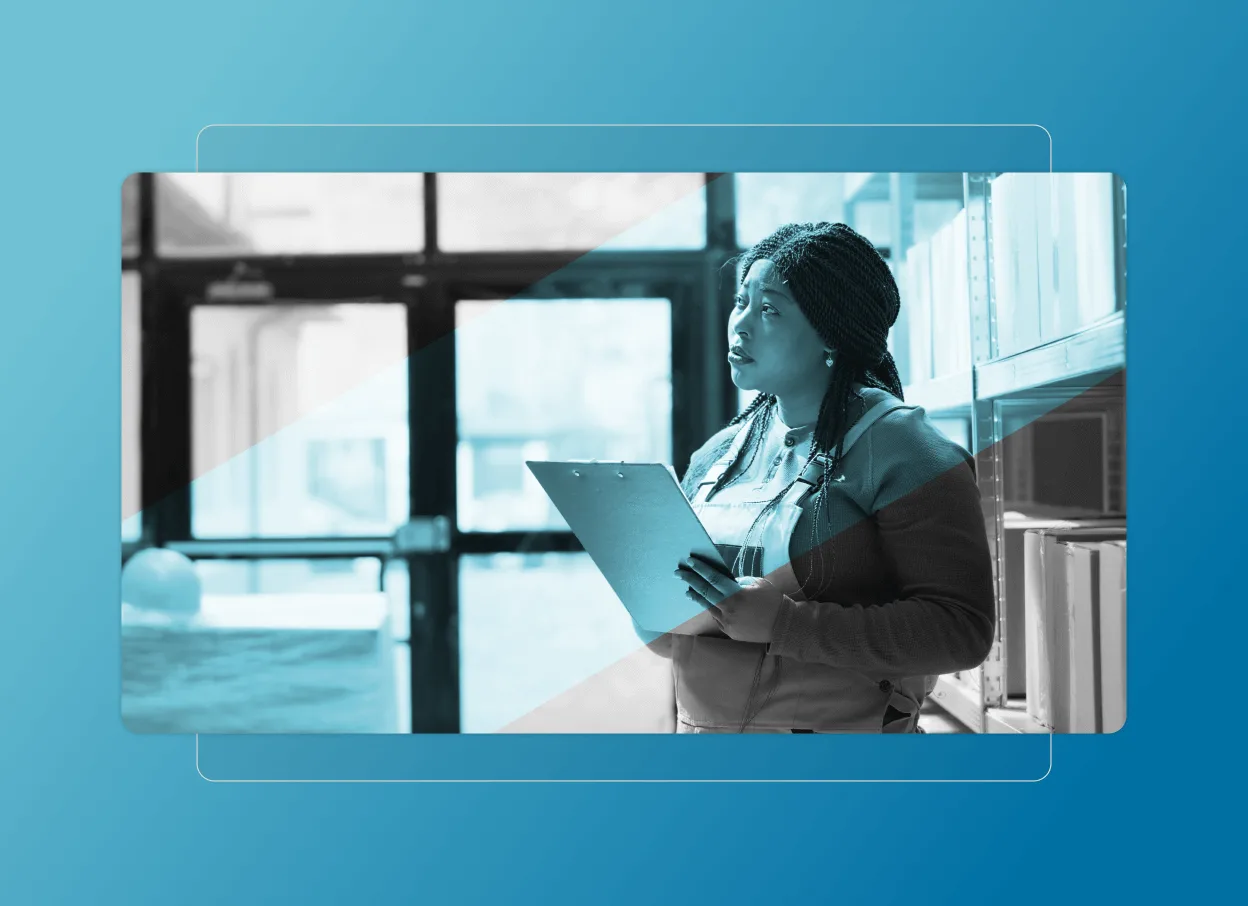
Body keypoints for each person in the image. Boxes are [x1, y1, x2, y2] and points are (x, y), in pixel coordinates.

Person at [637, 221, 996, 734]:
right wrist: (656, 610)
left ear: (833, 331)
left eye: (769, 310)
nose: (740, 325)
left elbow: (962, 631)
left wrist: (786, 625)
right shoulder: (718, 456)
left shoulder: (905, 452)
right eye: (740, 302)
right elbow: (676, 640)